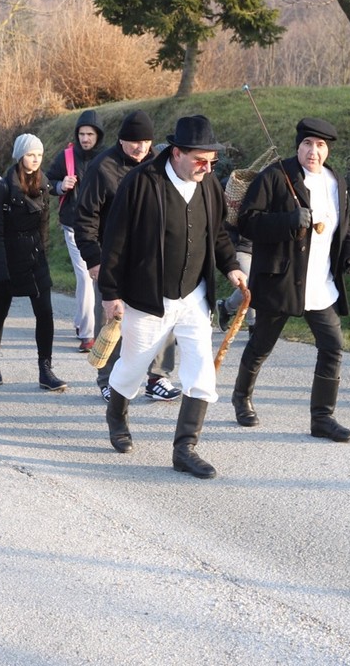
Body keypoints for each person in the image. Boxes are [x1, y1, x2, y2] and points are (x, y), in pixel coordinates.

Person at [97, 115, 246, 479]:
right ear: (176, 153)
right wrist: (110, 295)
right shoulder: (140, 184)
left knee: (200, 370)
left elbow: (218, 235)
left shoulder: (208, 185)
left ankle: (185, 448)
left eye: (212, 161)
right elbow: (115, 243)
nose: (207, 168)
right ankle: (116, 414)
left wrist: (231, 267)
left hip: (194, 296)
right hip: (147, 298)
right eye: (200, 159)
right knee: (132, 367)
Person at [234, 117, 350, 441]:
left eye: (320, 146)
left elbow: (345, 223)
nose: (313, 151)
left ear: (328, 150)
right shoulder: (276, 177)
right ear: (298, 145)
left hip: (321, 285)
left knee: (333, 346)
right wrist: (288, 221)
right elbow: (247, 222)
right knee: (261, 345)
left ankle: (322, 418)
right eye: (307, 143)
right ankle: (241, 397)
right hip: (282, 279)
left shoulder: (337, 182)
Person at [72, 109, 180, 404]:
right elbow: (85, 218)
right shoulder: (101, 167)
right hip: (113, 258)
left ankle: (158, 376)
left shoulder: (161, 163)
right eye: (134, 142)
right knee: (113, 318)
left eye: (146, 141)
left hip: (153, 258)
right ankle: (108, 379)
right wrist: (94, 260)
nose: (141, 148)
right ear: (121, 140)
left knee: (164, 314)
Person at [0, 133, 66, 391]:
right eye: (31, 154)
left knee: (45, 313)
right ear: (20, 156)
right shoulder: (3, 188)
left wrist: (41, 251)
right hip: (5, 256)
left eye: (39, 155)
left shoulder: (44, 184)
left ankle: (45, 369)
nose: (35, 159)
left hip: (34, 257)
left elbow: (43, 224)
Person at [47, 109, 105, 351]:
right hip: (72, 225)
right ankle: (89, 335)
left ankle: (83, 323)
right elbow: (47, 182)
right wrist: (61, 185)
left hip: (101, 227)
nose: (85, 139)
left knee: (100, 276)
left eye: (90, 134)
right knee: (85, 276)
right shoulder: (66, 157)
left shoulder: (108, 157)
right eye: (81, 134)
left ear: (98, 135)